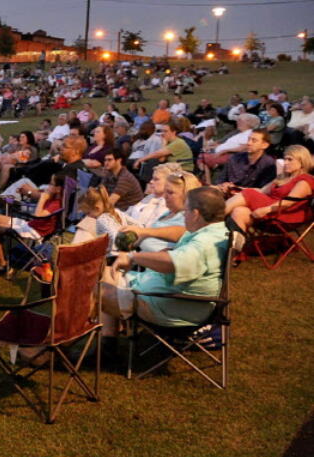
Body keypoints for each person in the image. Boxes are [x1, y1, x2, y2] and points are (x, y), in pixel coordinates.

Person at [101, 187, 230, 337]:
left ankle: (80, 341)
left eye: (186, 211)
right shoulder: (214, 231)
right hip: (162, 295)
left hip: (166, 306)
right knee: (103, 273)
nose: (184, 216)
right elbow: (181, 235)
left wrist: (133, 257)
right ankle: (108, 340)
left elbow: (172, 264)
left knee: (91, 288)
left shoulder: (205, 242)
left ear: (196, 214)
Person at [0, 175, 65, 272]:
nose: (48, 186)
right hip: (30, 224)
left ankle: (2, 265)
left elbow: (38, 215)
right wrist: (38, 193)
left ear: (58, 189)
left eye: (51, 184)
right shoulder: (54, 198)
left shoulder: (56, 203)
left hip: (33, 231)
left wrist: (43, 198)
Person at [223, 144, 314, 233]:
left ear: (302, 161)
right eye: (285, 159)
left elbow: (288, 203)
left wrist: (266, 210)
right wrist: (236, 188)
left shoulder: (305, 180)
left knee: (249, 193)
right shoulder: (282, 177)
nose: (285, 163)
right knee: (239, 211)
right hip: (270, 212)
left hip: (284, 217)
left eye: (290, 159)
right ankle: (235, 246)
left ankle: (215, 218)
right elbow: (261, 191)